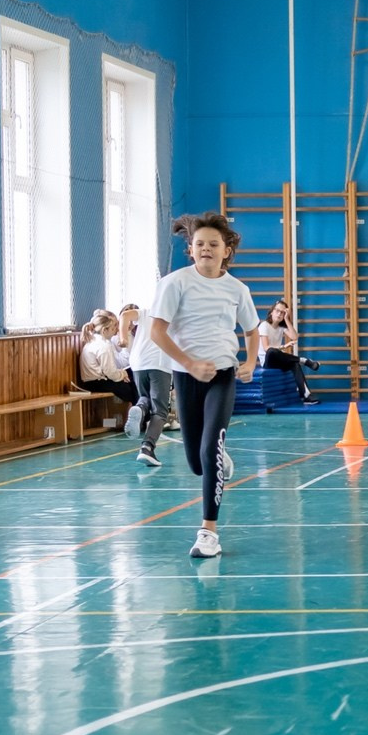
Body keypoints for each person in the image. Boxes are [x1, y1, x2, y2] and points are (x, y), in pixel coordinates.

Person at [149, 212, 260, 560]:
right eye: (200, 244)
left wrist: (251, 362)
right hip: (186, 377)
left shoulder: (237, 289)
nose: (206, 249)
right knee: (198, 462)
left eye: (214, 244)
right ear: (191, 250)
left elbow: (252, 330)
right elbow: (157, 331)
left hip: (223, 376)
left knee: (210, 445)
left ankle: (208, 531)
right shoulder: (174, 283)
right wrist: (189, 364)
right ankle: (216, 457)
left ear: (227, 250)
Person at [127, 294, 176, 468]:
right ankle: (147, 447)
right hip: (160, 363)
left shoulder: (146, 312)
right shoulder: (174, 316)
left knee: (145, 397)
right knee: (161, 411)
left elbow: (124, 315)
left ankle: (139, 408)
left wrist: (123, 337)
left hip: (138, 362)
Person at [255, 298, 319, 404]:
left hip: (279, 359)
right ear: (271, 311)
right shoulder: (264, 326)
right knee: (272, 351)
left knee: (295, 365)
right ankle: (303, 360)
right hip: (268, 360)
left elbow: (294, 337)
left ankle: (306, 396)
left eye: (282, 312)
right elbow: (266, 348)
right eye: (277, 311)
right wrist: (284, 346)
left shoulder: (281, 327)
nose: (279, 314)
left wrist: (287, 319)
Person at [77, 310, 139, 409]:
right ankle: (142, 415)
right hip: (97, 383)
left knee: (132, 378)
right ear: (104, 330)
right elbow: (111, 373)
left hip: (94, 381)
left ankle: (139, 413)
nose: (116, 330)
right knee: (132, 388)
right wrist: (123, 374)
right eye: (113, 328)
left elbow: (110, 371)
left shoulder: (95, 341)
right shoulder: (103, 346)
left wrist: (122, 374)